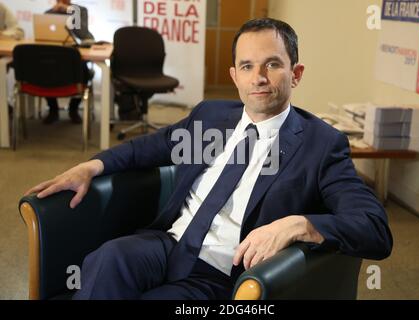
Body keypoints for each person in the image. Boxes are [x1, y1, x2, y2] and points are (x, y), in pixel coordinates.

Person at [25, 18, 393, 300]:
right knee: (107, 259)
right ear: (235, 76)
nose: (259, 78)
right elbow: (151, 147)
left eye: (273, 65)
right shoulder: (211, 116)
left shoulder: (321, 145)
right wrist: (92, 166)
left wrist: (300, 225)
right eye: (247, 66)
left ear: (295, 74)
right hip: (168, 243)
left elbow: (374, 228)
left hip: (221, 273)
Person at [43, 0, 94, 124]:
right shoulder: (49, 13)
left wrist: (69, 10)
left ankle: (73, 109)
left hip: (75, 58)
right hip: (54, 56)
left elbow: (84, 34)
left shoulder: (79, 10)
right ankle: (53, 110)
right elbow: (44, 35)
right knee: (44, 68)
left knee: (84, 72)